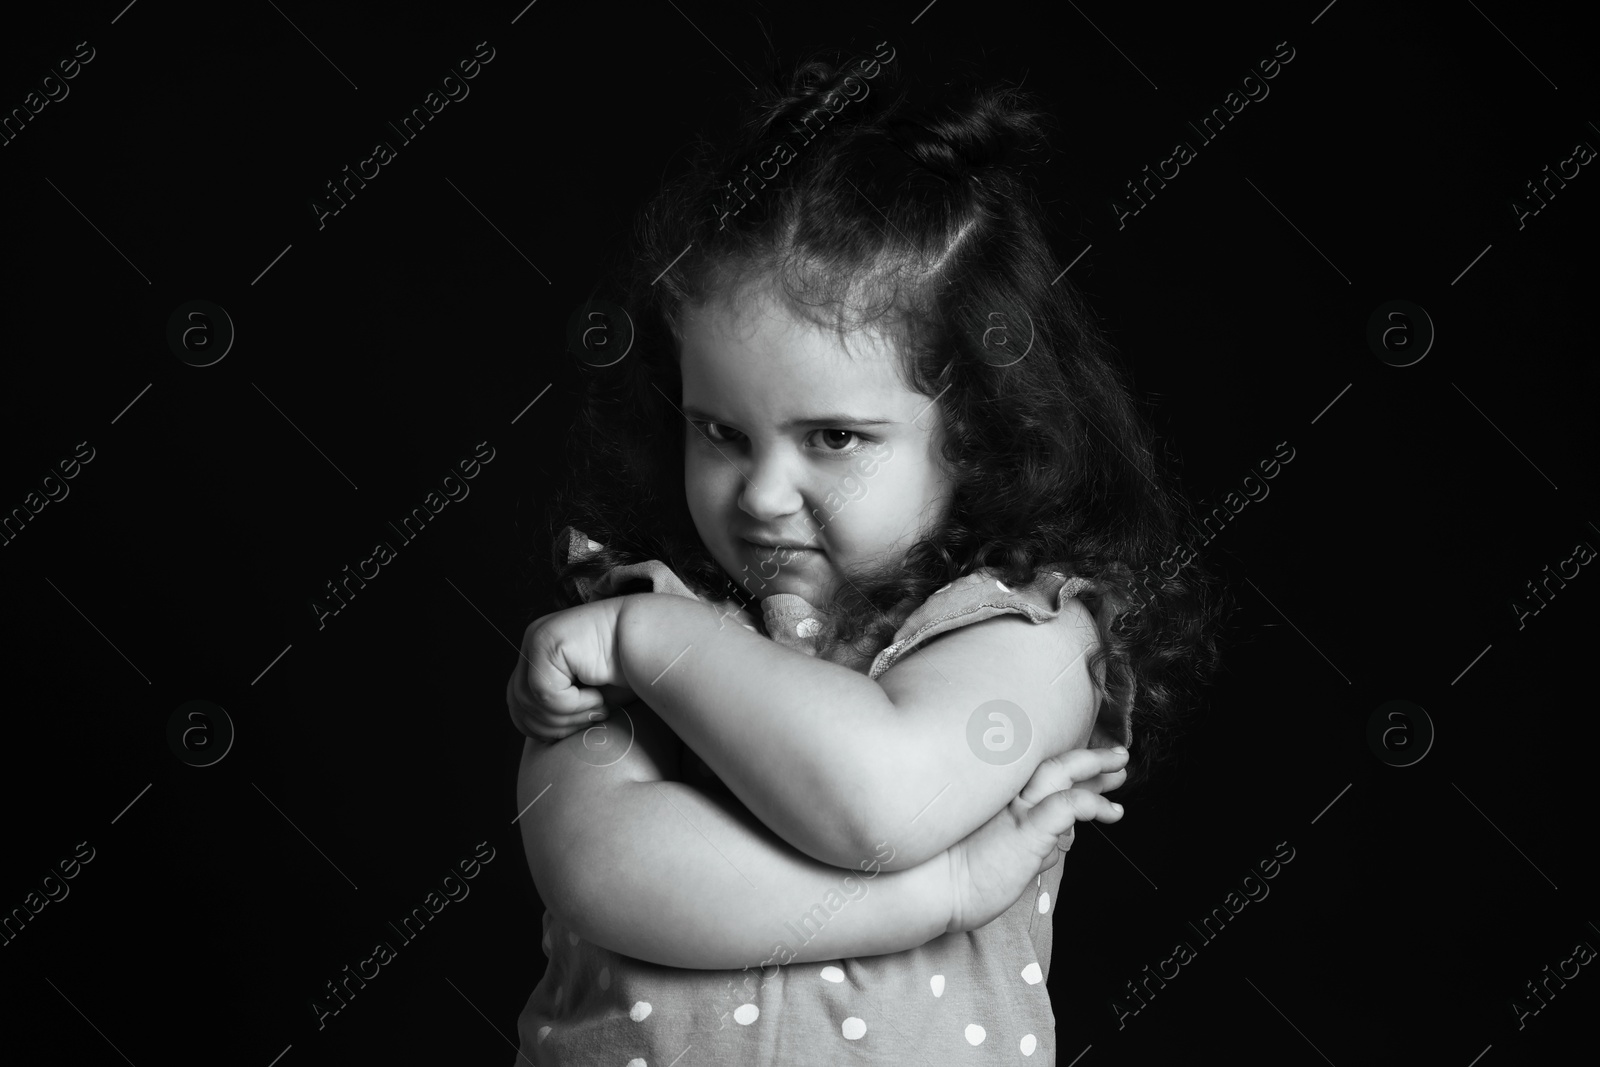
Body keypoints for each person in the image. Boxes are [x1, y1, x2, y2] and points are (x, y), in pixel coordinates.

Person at [505, 43, 1224, 1065]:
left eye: (832, 439)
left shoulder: (1026, 631)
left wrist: (648, 642)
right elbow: (605, 870)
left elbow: (875, 799)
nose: (759, 493)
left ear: (972, 427)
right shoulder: (638, 602)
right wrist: (937, 896)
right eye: (720, 431)